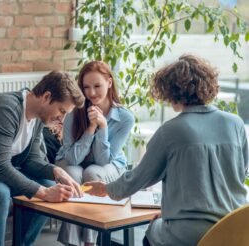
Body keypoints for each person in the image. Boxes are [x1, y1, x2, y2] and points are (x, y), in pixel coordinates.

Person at [84, 54, 248, 246]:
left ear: (170, 91)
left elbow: (136, 179)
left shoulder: (170, 131)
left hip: (191, 235)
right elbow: (240, 171)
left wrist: (105, 188)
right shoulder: (235, 124)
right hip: (236, 228)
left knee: (152, 229)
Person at [0, 71, 85, 246]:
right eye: (62, 110)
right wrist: (43, 194)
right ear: (47, 96)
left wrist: (57, 172)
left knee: (50, 184)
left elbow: (31, 161)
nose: (62, 118)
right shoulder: (5, 109)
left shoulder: (36, 119)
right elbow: (0, 167)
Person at [55, 61, 134, 246]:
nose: (91, 93)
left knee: (92, 173)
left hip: (109, 165)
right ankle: (73, 243)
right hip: (69, 161)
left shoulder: (125, 117)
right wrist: (91, 128)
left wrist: (103, 126)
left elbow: (103, 160)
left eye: (97, 86)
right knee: (73, 175)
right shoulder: (74, 113)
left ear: (109, 82)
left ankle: (90, 243)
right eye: (86, 87)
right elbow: (72, 158)